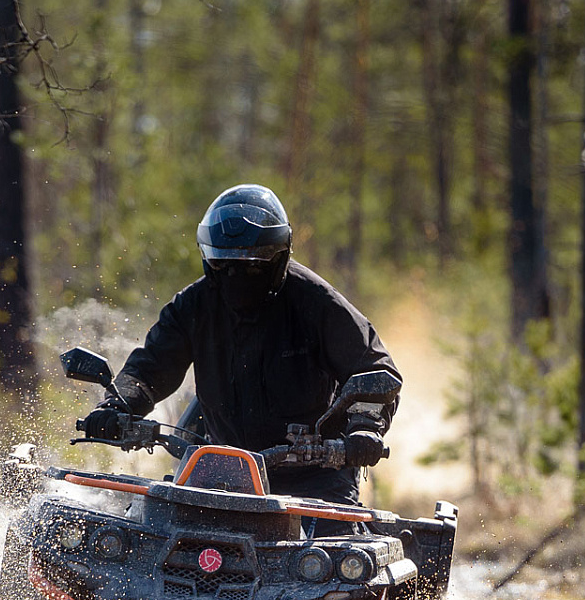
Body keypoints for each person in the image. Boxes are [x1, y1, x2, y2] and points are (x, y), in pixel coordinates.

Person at [82, 183, 401, 506]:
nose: (237, 275)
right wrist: (117, 405)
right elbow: (151, 367)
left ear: (279, 256)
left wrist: (364, 429)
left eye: (253, 265)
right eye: (224, 265)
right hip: (219, 471)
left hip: (315, 476)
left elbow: (373, 368)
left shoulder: (315, 301)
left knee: (331, 538)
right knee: (152, 527)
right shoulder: (193, 306)